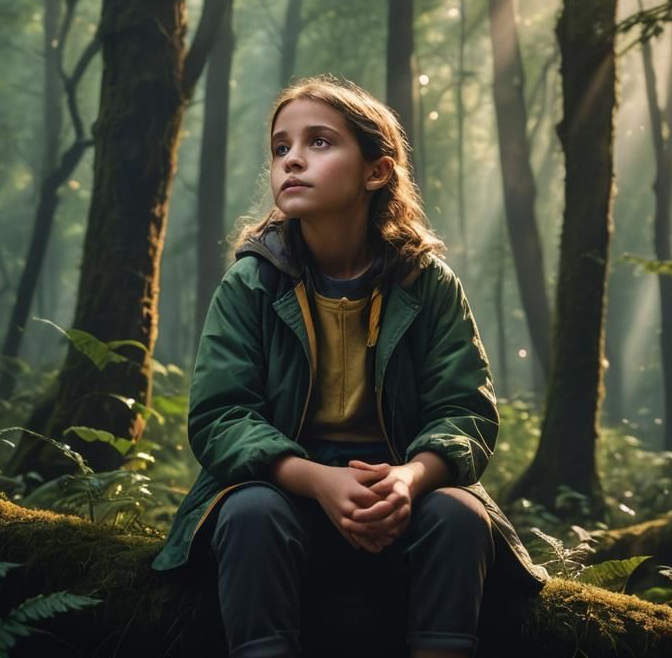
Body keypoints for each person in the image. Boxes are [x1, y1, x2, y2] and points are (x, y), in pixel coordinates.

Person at [153, 75, 547, 657]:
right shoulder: (251, 282)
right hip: (285, 488)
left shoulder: (428, 282)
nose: (292, 160)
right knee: (250, 513)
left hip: (398, 494)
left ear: (377, 171)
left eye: (319, 142)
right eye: (281, 147)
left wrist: (410, 480)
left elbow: (465, 410)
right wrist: (320, 480)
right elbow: (221, 414)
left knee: (461, 516)